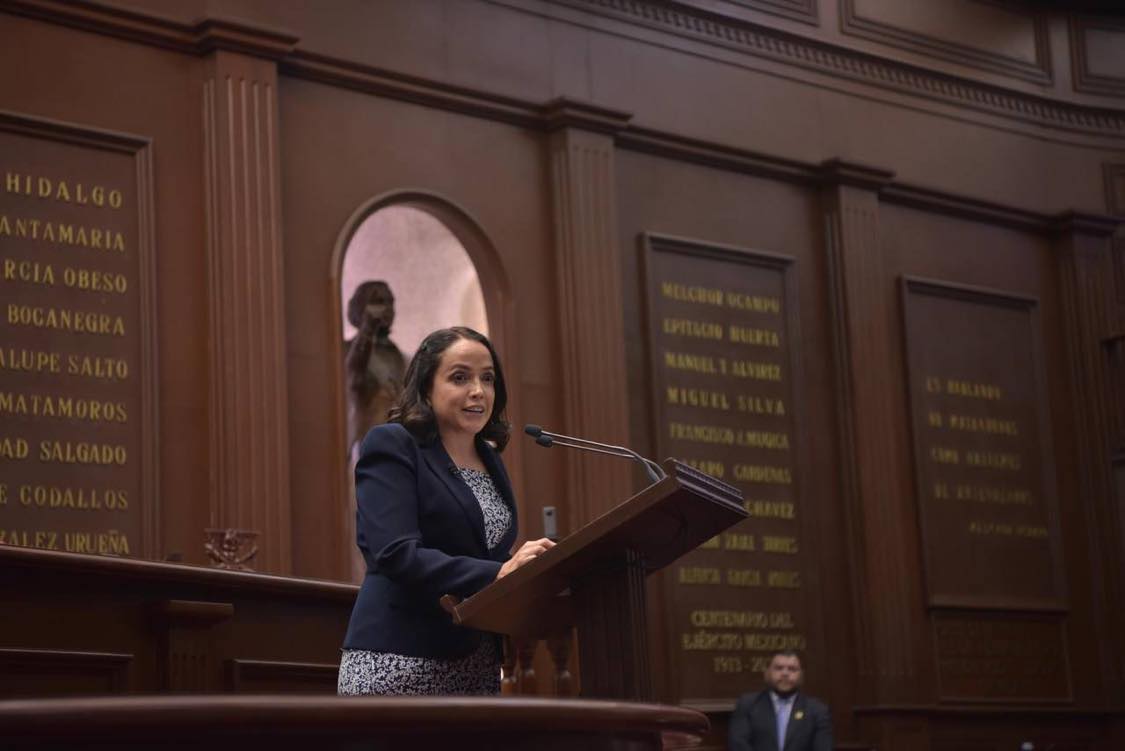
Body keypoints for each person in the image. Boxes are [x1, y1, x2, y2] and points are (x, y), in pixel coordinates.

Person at [338, 326, 555, 695]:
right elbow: (394, 553)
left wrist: (520, 569)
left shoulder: (489, 458)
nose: (477, 390)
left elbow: (485, 552)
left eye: (487, 378)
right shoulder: (393, 444)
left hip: (474, 659)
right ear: (425, 387)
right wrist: (499, 571)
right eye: (459, 377)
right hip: (401, 656)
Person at [344, 280, 408, 457]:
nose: (386, 308)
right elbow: (354, 377)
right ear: (360, 307)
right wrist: (368, 328)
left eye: (390, 302)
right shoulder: (346, 350)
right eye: (378, 301)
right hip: (361, 444)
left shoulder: (400, 356)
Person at [728, 651, 832, 751]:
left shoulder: (817, 711)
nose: (785, 673)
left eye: (792, 669)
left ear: (801, 674)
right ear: (767, 672)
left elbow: (823, 747)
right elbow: (739, 745)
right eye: (778, 668)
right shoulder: (748, 704)